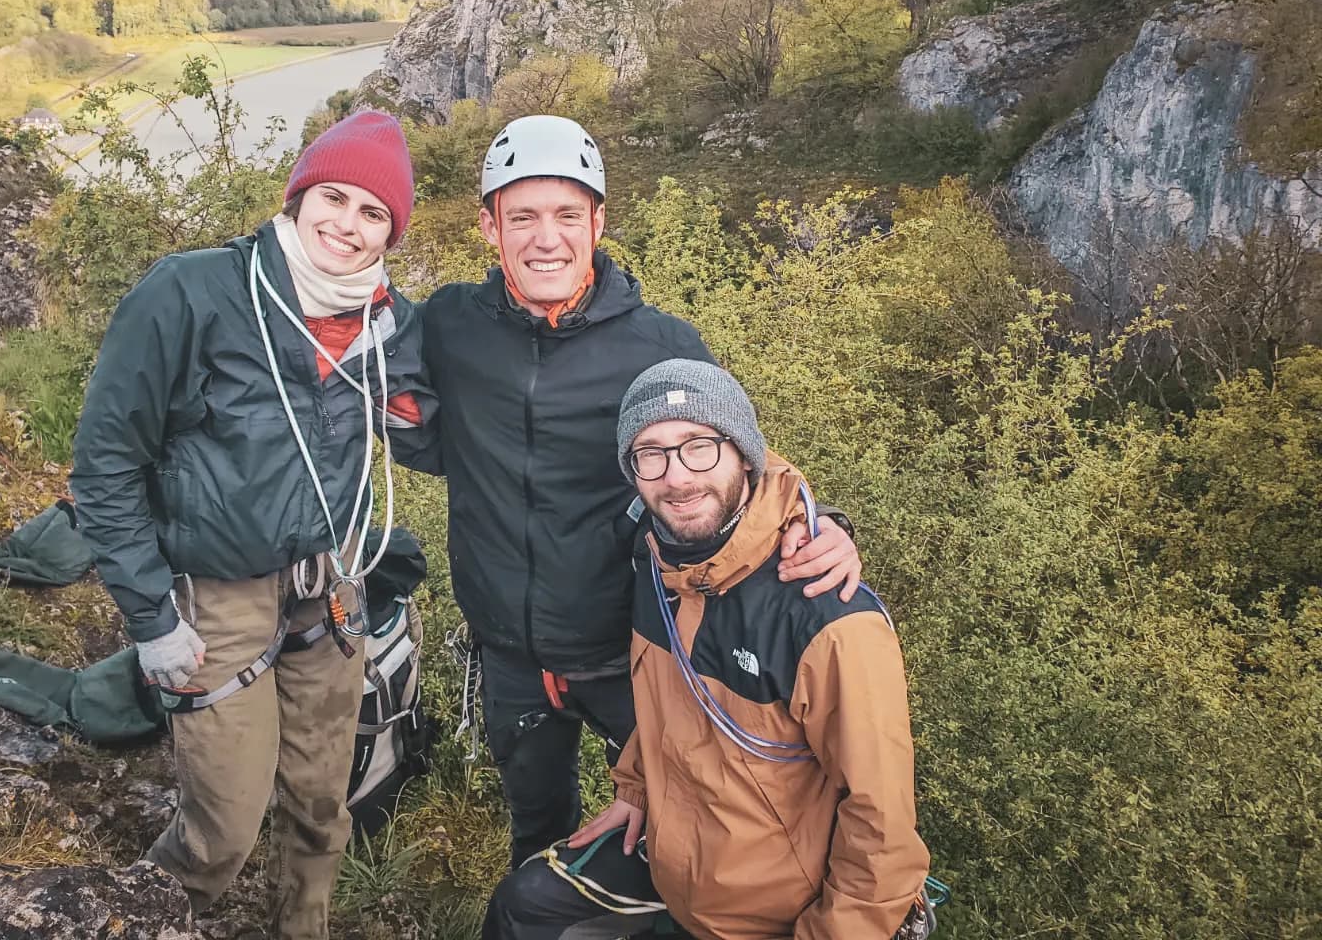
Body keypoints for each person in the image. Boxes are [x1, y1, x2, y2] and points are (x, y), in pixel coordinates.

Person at [397, 116, 860, 869]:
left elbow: (737, 471)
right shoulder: (450, 325)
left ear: (598, 223)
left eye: (567, 216)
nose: (546, 238)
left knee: (675, 835)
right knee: (537, 833)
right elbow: (368, 368)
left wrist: (819, 522)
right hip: (511, 655)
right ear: (489, 227)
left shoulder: (660, 345)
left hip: (635, 651)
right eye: (523, 217)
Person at [70, 110, 436, 938]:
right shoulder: (194, 291)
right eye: (333, 197)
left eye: (373, 212)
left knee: (320, 801)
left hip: (331, 581)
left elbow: (428, 430)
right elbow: (105, 465)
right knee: (225, 825)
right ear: (299, 196)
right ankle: (149, 918)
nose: (346, 224)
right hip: (219, 591)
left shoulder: (387, 322)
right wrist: (151, 618)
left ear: (392, 232)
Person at [482, 358, 932, 940]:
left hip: (775, 912)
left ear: (744, 453)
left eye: (700, 445)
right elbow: (670, 708)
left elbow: (883, 830)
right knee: (524, 907)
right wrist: (637, 787)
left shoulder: (825, 614)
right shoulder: (658, 563)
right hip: (676, 863)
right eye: (651, 454)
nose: (677, 477)